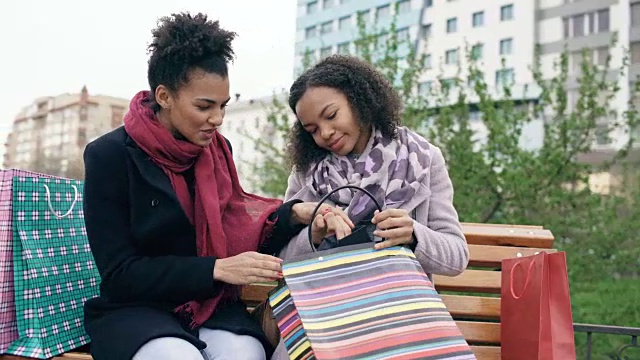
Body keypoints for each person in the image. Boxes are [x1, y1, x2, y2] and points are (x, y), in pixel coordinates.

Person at [82, 13, 347, 360]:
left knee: (245, 354)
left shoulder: (217, 151)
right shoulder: (109, 155)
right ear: (164, 96)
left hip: (211, 306)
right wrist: (217, 269)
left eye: (223, 106)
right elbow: (119, 273)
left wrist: (298, 213)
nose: (218, 119)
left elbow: (241, 226)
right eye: (204, 106)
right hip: (136, 309)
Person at [278, 54, 470, 278]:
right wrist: (314, 235)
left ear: (358, 99)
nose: (325, 133)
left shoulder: (421, 157)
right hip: (329, 304)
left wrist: (414, 234)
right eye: (312, 129)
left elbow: (457, 257)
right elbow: (282, 260)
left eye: (331, 115)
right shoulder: (306, 172)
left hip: (399, 304)